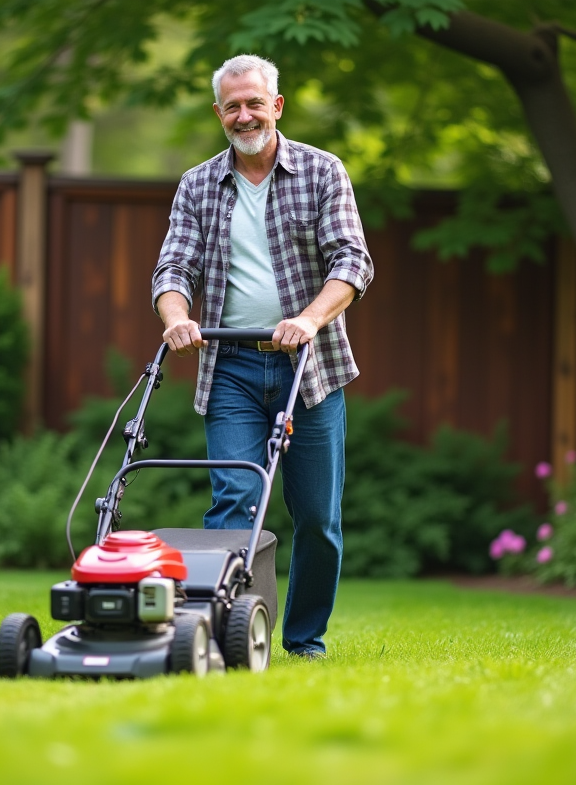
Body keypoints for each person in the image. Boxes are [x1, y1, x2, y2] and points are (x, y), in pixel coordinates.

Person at [151, 54, 373, 659]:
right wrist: (177, 319)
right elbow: (174, 266)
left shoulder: (322, 172)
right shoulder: (198, 184)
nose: (244, 114)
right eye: (232, 105)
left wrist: (307, 318)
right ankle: (226, 639)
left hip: (312, 369)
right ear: (219, 113)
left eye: (254, 102)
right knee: (234, 503)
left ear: (276, 105)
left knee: (317, 520)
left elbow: (352, 262)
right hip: (232, 369)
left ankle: (305, 639)